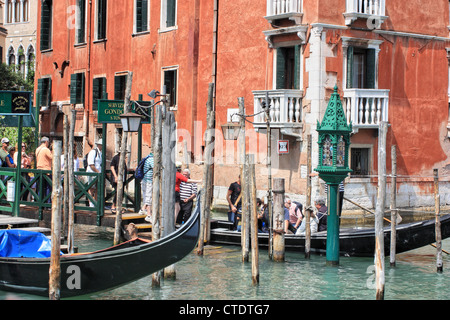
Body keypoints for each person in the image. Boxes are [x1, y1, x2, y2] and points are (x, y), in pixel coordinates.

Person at [36, 137, 53, 203]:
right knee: (48, 187)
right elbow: (52, 157)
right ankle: (48, 203)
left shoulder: (37, 149)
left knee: (40, 188)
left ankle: (40, 202)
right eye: (48, 142)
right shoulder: (46, 150)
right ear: (46, 142)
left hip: (39, 170)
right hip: (46, 171)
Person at [86, 139, 103, 207]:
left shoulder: (100, 153)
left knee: (98, 188)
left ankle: (96, 203)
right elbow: (91, 164)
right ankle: (91, 205)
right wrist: (98, 172)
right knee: (91, 188)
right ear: (99, 145)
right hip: (92, 173)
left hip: (97, 174)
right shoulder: (93, 152)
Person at [140, 153, 154, 223]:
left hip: (144, 180)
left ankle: (143, 209)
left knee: (146, 196)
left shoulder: (147, 158)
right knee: (149, 197)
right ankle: (148, 215)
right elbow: (156, 168)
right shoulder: (151, 159)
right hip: (149, 181)